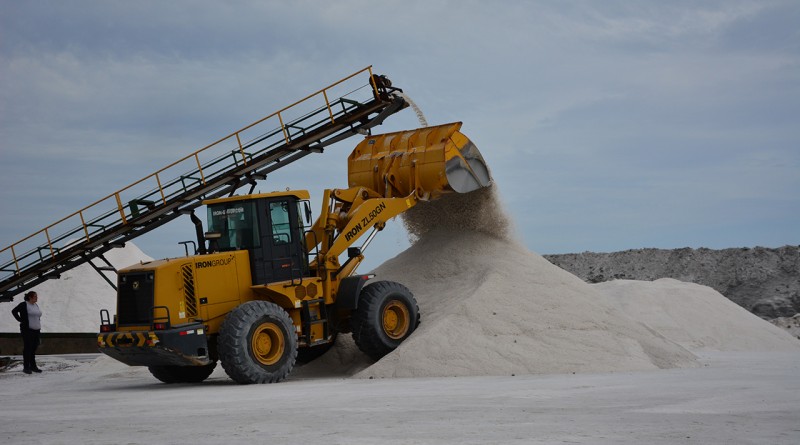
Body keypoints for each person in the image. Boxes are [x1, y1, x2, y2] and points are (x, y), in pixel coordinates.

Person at [11, 291, 43, 374]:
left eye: (36, 296)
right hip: (27, 330)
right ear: (30, 297)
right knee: (28, 349)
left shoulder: (35, 305)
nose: (36, 298)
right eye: (35, 296)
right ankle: (26, 367)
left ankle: (33, 366)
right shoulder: (24, 304)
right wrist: (20, 320)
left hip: (36, 330)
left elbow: (37, 316)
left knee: (33, 348)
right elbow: (14, 311)